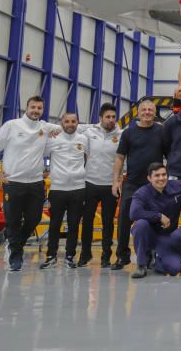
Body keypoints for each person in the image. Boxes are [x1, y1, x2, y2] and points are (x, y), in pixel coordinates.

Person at [0, 96, 58, 272]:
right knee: (13, 221)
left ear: (43, 110)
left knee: (34, 219)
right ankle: (15, 255)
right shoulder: (12, 126)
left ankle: (13, 243)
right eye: (33, 107)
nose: (36, 110)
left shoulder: (45, 127)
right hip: (13, 182)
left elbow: (71, 128)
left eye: (39, 108)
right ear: (27, 108)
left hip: (35, 183)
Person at [111, 97, 165, 271]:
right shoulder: (128, 133)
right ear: (138, 112)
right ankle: (122, 256)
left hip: (154, 187)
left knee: (153, 221)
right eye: (144, 110)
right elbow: (120, 157)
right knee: (124, 220)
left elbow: (171, 154)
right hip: (132, 184)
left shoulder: (161, 131)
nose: (147, 113)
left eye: (150, 110)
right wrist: (115, 180)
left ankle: (151, 255)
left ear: (155, 113)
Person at [41, 111, 89, 269]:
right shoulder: (53, 139)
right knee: (54, 224)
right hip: (58, 189)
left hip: (78, 188)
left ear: (77, 123)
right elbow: (38, 148)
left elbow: (90, 157)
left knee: (74, 224)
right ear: (62, 123)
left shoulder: (83, 139)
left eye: (73, 121)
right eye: (67, 121)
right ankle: (51, 256)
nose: (70, 124)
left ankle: (69, 256)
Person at [79, 102, 121, 267]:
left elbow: (123, 159)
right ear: (101, 118)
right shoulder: (90, 133)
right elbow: (83, 153)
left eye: (113, 117)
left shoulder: (121, 135)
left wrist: (118, 181)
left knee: (108, 222)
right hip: (90, 183)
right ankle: (85, 254)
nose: (111, 120)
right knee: (87, 220)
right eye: (107, 117)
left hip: (110, 185)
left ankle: (106, 256)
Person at [128, 163, 181, 279]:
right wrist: (159, 216)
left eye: (164, 175)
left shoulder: (176, 186)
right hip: (148, 235)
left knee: (174, 268)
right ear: (149, 178)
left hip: (167, 236)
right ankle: (141, 265)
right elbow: (133, 213)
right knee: (140, 224)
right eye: (157, 175)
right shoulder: (142, 193)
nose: (161, 178)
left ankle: (156, 258)